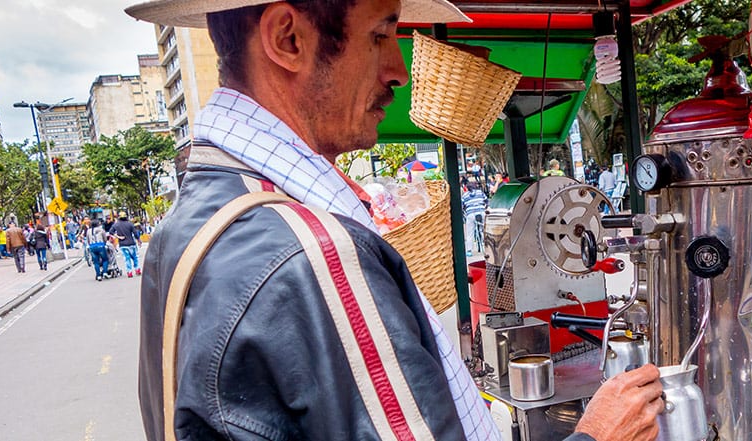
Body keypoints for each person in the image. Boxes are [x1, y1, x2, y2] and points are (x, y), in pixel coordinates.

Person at [125, 1, 663, 441]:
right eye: (380, 36)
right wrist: (598, 436)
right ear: (288, 38)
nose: (399, 71)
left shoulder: (189, 227)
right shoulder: (313, 253)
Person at [109, 211, 142, 278]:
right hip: (131, 243)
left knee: (127, 258)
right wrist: (139, 240)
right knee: (135, 257)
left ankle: (129, 272)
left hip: (123, 244)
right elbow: (135, 233)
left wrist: (118, 236)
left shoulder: (116, 225)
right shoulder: (130, 224)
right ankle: (137, 269)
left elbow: (111, 232)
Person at [462, 182, 488, 256]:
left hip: (471, 214)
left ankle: (469, 250)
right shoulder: (480, 192)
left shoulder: (465, 195)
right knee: (484, 231)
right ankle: (487, 247)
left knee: (470, 233)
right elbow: (486, 201)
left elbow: (462, 206)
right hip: (481, 212)